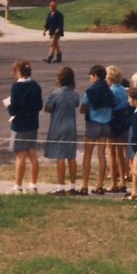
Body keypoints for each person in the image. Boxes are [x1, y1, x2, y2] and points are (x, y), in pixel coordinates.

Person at [4, 59, 43, 195]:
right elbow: (39, 106)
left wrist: (8, 105)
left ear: (18, 72)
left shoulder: (16, 87)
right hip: (32, 123)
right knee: (32, 154)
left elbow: (13, 109)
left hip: (20, 124)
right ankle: (33, 185)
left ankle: (18, 186)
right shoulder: (36, 86)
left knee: (20, 156)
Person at [44, 66, 79, 195]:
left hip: (58, 126)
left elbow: (47, 108)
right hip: (71, 126)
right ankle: (73, 186)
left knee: (60, 156)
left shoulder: (55, 93)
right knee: (71, 156)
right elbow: (76, 104)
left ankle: (60, 187)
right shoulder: (74, 93)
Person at [79, 65, 114, 195]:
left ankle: (85, 185)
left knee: (87, 154)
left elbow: (83, 108)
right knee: (102, 154)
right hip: (106, 124)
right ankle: (100, 185)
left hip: (93, 123)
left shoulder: (90, 91)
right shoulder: (109, 91)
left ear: (95, 76)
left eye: (91, 76)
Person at [107, 66, 130, 193]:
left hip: (112, 119)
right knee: (121, 152)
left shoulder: (111, 91)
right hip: (123, 119)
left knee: (111, 152)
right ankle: (123, 180)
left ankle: (113, 182)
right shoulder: (124, 89)